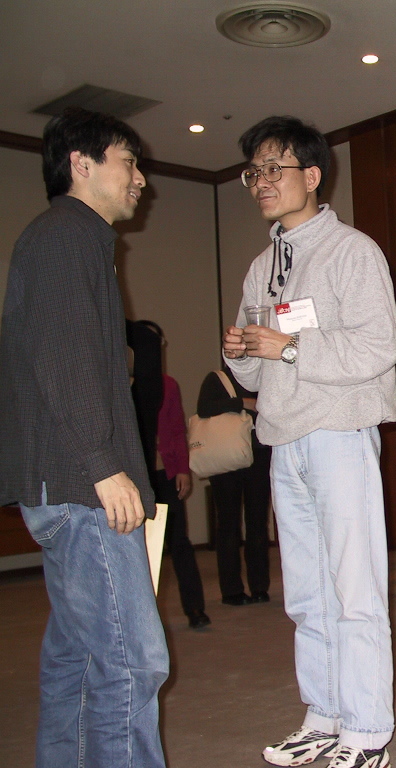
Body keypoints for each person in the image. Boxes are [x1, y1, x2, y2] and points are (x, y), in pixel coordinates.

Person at [222, 115, 396, 768]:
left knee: (355, 591)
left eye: (276, 168)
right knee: (305, 594)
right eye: (254, 172)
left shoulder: (353, 251)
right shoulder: (261, 266)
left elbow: (379, 347)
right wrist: (240, 352)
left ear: (313, 175)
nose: (261, 183)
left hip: (339, 434)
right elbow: (252, 372)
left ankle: (367, 734)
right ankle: (323, 717)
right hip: (283, 438)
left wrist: (290, 346)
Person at [0, 108, 169, 767]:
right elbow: (63, 357)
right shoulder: (67, 235)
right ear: (81, 164)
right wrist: (103, 464)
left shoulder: (66, 237)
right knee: (132, 661)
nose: (141, 179)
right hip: (80, 486)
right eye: (129, 162)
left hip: (63, 484)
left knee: (77, 656)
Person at [130, 320, 209, 630]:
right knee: (136, 548)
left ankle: (195, 609)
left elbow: (176, 429)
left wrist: (182, 469)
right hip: (133, 478)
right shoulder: (119, 384)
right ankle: (140, 619)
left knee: (179, 542)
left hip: (165, 474)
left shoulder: (168, 385)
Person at [197, 366, 272, 606]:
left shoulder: (263, 375)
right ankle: (231, 591)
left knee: (258, 524)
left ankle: (259, 587)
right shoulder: (217, 378)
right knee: (228, 525)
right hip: (226, 460)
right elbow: (203, 409)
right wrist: (242, 403)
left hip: (259, 456)